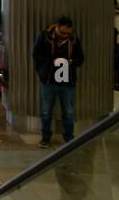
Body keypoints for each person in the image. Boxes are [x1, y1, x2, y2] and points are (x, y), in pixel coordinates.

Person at [32, 15, 83, 148]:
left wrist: (71, 62)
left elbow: (80, 58)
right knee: (46, 111)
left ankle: (69, 138)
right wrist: (49, 62)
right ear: (57, 27)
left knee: (69, 111)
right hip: (49, 80)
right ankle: (46, 138)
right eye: (63, 32)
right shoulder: (45, 37)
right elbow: (36, 54)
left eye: (67, 33)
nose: (65, 35)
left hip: (67, 81)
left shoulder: (74, 39)